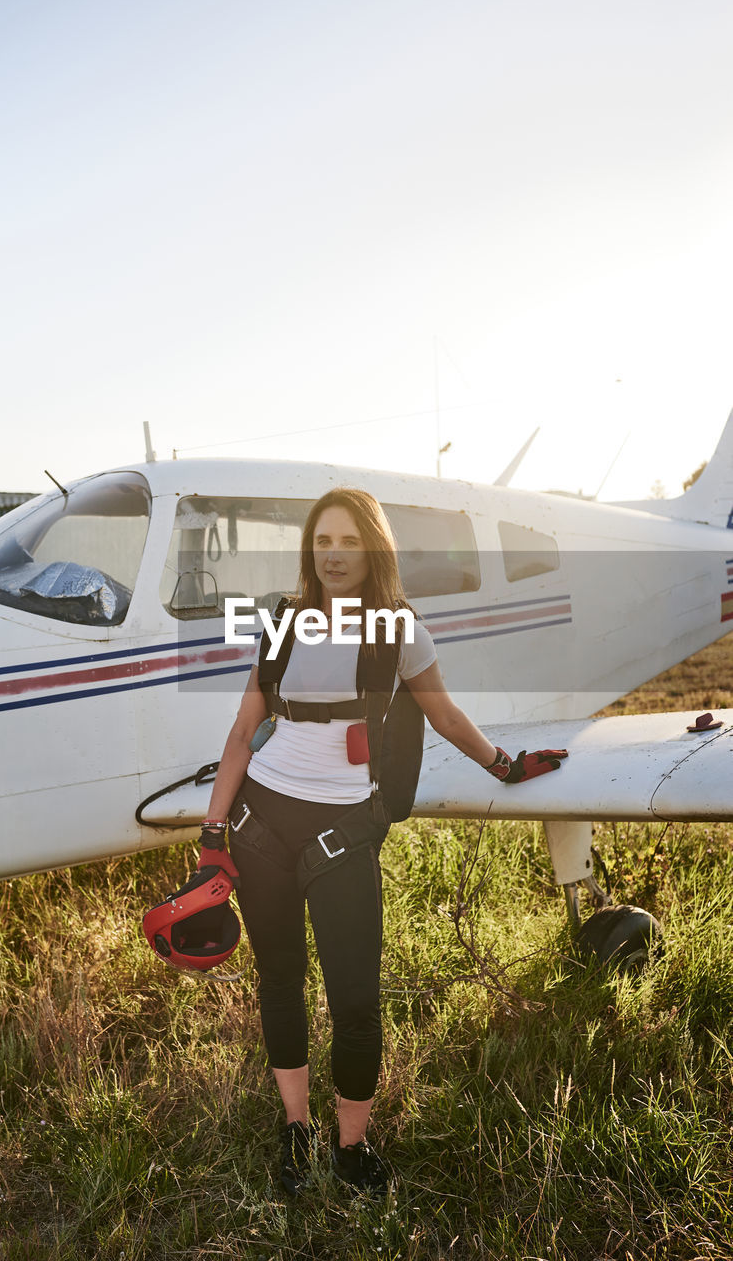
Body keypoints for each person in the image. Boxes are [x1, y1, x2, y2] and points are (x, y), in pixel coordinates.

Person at [198, 488, 566, 1195]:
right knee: (280, 981)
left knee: (357, 1001)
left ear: (373, 549)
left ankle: (353, 1147)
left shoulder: (400, 631)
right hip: (262, 823)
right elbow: (243, 734)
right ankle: (296, 1132)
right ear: (311, 549)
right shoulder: (281, 623)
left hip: (341, 829)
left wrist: (506, 764)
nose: (334, 555)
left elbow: (446, 715)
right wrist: (214, 833)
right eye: (322, 541)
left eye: (348, 541)